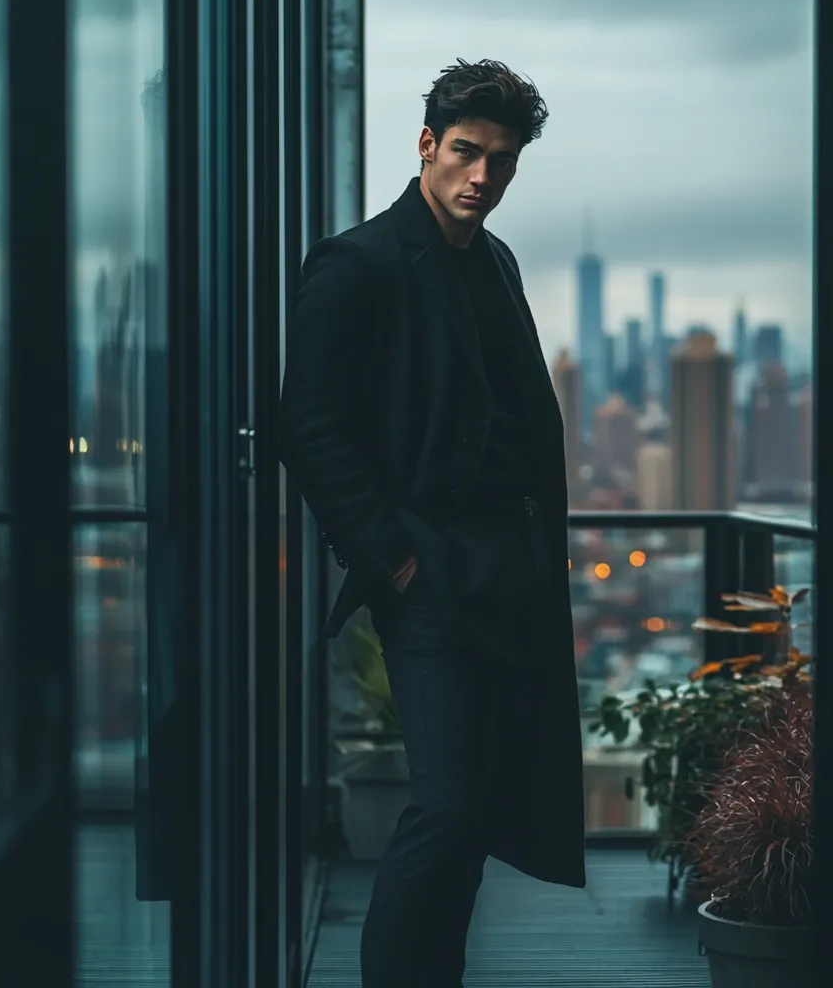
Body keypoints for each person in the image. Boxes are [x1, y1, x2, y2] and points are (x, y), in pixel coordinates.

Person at [278, 57, 586, 987]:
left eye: (501, 160)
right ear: (427, 146)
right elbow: (308, 424)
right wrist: (391, 558)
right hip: (429, 574)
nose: (481, 177)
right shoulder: (358, 262)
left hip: (507, 574)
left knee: (477, 811)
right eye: (465, 153)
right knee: (448, 809)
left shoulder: (495, 262)